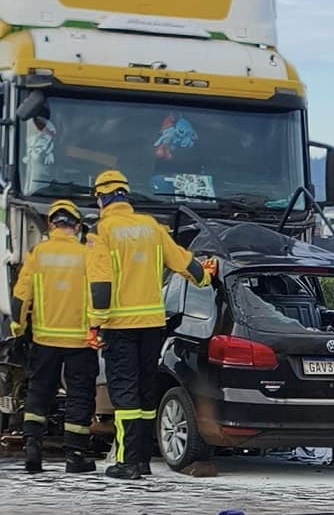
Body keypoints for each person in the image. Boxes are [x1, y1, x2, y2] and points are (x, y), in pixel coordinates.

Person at [87, 169, 215, 480]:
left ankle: (127, 462)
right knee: (145, 392)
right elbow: (185, 263)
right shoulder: (152, 228)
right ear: (126, 195)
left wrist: (95, 324)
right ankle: (142, 460)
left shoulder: (101, 232)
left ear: (102, 198)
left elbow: (101, 284)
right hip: (152, 325)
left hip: (119, 324)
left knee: (124, 393)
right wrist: (205, 275)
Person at [10, 200, 98, 474]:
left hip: (45, 340)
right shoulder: (87, 255)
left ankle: (32, 446)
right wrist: (98, 327)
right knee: (79, 396)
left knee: (39, 393)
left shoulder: (38, 253)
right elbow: (100, 294)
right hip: (81, 341)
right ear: (77, 226)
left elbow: (21, 295)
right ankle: (75, 455)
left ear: (52, 225)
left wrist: (18, 329)